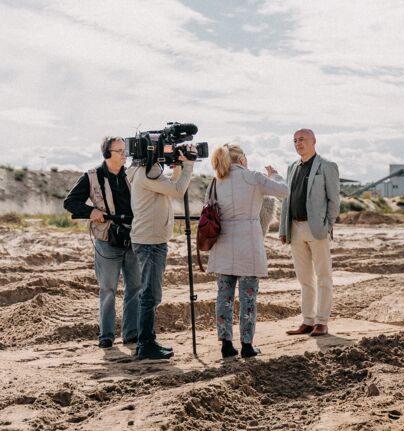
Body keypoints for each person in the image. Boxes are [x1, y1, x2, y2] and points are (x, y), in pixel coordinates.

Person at [208, 144, 289, 358]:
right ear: (242, 159)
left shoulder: (217, 180)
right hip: (248, 244)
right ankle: (247, 345)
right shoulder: (253, 177)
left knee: (223, 296)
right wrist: (275, 175)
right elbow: (284, 191)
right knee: (248, 297)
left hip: (223, 242)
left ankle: (226, 344)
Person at [63, 136, 140, 349]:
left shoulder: (133, 175)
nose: (125, 155)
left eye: (125, 150)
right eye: (120, 151)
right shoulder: (91, 176)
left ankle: (131, 335)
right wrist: (91, 211)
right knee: (108, 289)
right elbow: (70, 203)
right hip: (106, 240)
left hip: (135, 238)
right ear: (107, 153)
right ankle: (106, 336)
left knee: (135, 288)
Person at [129, 151, 195, 360]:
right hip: (150, 241)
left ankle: (146, 341)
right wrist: (189, 166)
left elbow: (167, 189)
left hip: (151, 239)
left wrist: (177, 171)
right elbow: (177, 191)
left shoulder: (146, 171)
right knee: (150, 294)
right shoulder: (149, 172)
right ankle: (145, 344)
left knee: (149, 293)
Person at [277, 128, 340, 337]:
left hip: (317, 229)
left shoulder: (327, 166)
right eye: (295, 140)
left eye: (302, 139)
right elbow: (286, 199)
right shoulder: (292, 168)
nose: (298, 143)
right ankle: (308, 321)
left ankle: (322, 322)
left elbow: (334, 201)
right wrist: (283, 229)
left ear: (314, 141)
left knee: (323, 277)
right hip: (295, 228)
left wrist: (327, 225)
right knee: (304, 279)